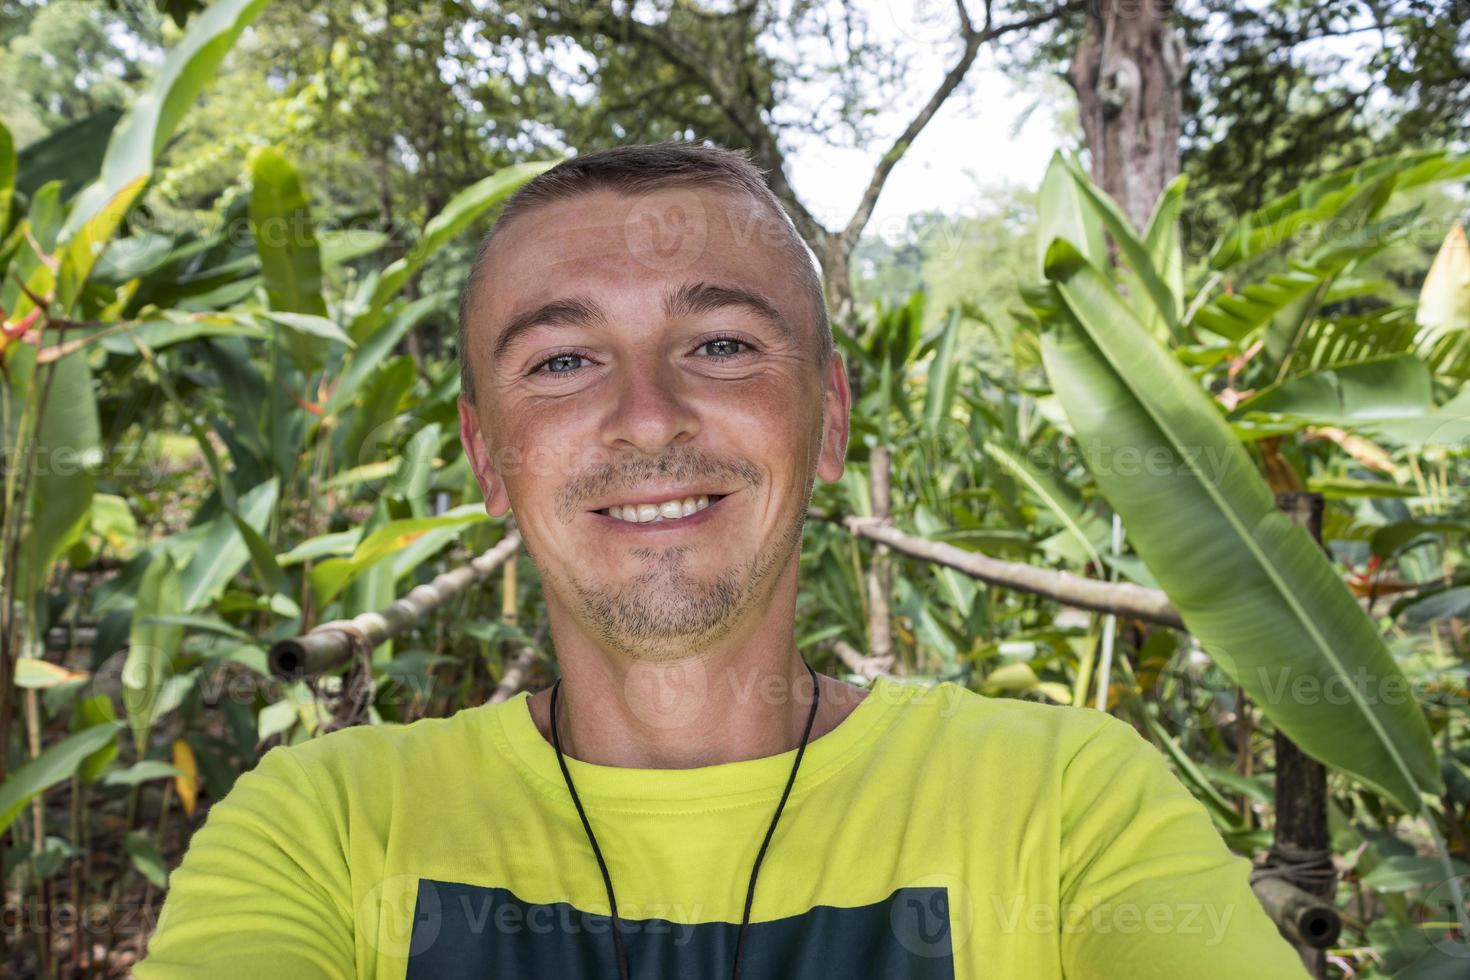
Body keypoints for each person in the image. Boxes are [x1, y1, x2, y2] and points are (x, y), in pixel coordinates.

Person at [134, 141, 1309, 979]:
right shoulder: (327, 827)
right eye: (561, 362)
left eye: (721, 343)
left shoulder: (1064, 803)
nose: (650, 419)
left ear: (830, 418)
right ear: (488, 457)